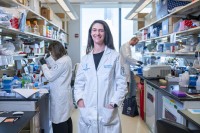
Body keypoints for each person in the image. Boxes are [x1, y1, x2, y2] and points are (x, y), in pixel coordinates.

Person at [74, 20, 127, 133]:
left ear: (105, 33)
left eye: (101, 30)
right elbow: (78, 84)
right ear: (90, 33)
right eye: (94, 30)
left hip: (107, 112)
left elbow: (122, 84)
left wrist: (113, 104)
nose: (97, 33)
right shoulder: (85, 59)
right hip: (87, 111)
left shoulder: (115, 56)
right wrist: (80, 101)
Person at [39, 42, 73, 133]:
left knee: (59, 120)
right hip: (64, 93)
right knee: (66, 118)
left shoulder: (62, 61)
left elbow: (50, 76)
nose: (52, 54)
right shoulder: (66, 58)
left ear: (56, 51)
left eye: (51, 52)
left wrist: (43, 65)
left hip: (59, 95)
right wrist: (48, 59)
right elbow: (56, 66)